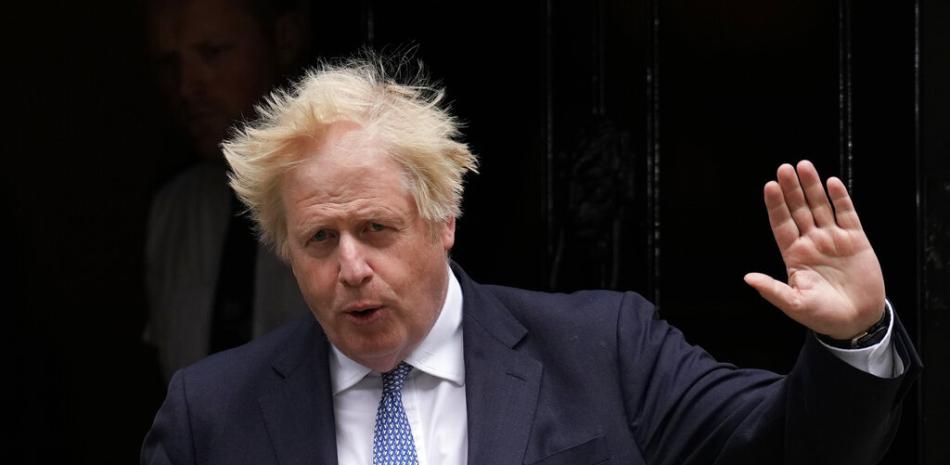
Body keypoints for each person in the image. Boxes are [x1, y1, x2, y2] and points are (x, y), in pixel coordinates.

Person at [141, 54, 921, 465]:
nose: (350, 266)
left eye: (376, 228)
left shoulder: (604, 348)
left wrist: (852, 340)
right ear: (286, 249)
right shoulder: (210, 414)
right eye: (320, 239)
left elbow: (789, 449)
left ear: (443, 220)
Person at [142, 0, 312, 382]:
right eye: (169, 64)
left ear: (285, 40)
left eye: (212, 53)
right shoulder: (172, 212)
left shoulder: (354, 194)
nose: (187, 87)